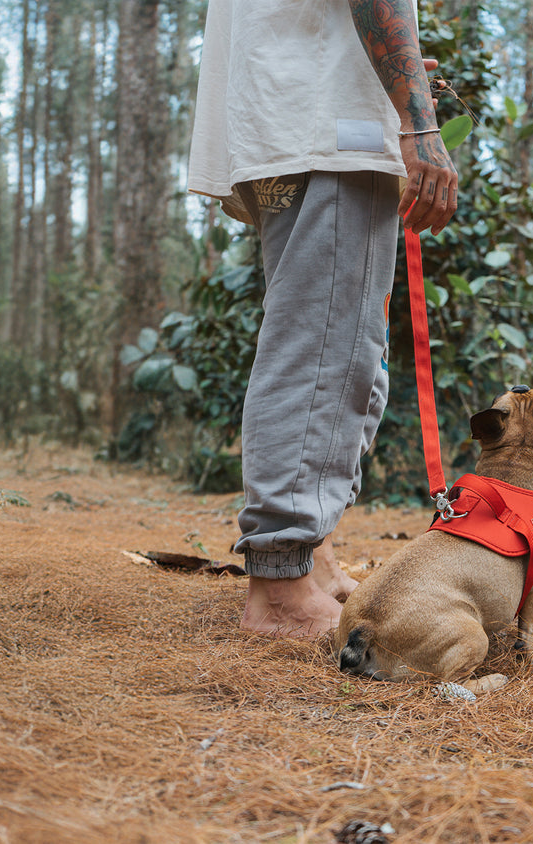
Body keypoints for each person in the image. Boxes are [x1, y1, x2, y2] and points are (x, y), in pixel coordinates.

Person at [187, 0, 459, 637]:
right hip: (332, 132)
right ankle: (280, 589)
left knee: (325, 339)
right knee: (322, 353)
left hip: (288, 120)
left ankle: (311, 559)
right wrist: (419, 123)